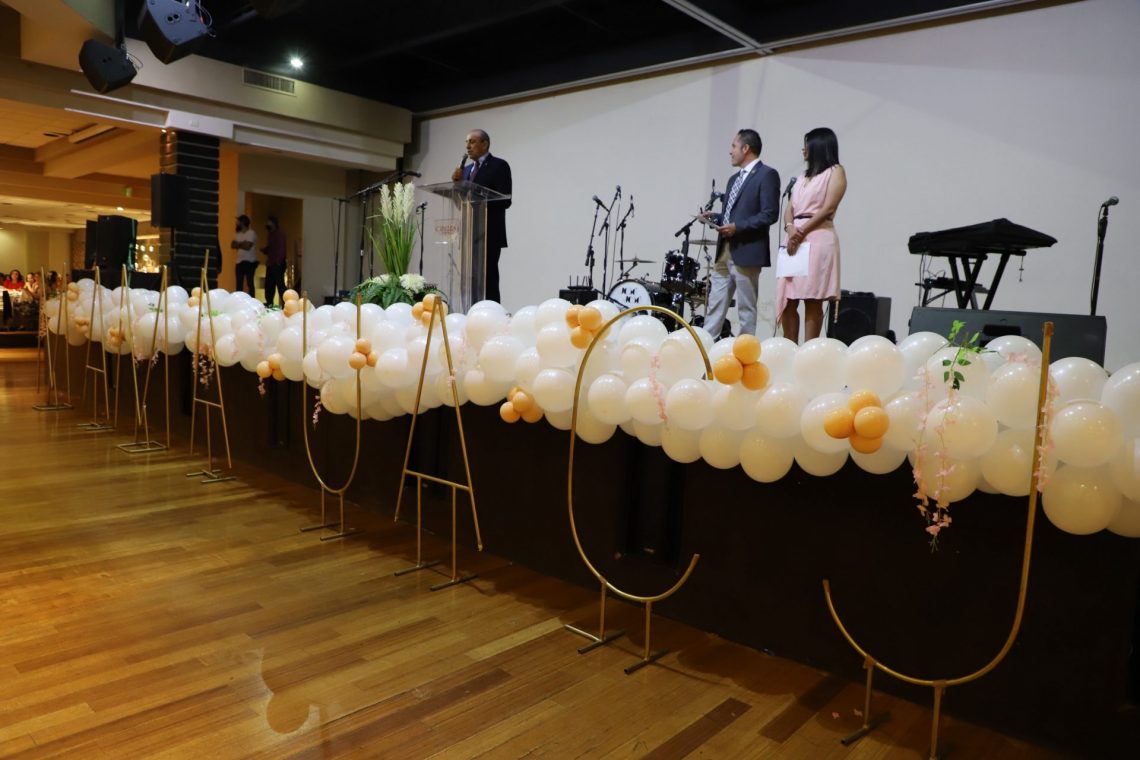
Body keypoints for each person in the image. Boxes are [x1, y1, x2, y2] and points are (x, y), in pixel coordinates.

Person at [698, 129, 780, 338]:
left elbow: (769, 214)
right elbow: (732, 215)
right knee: (714, 306)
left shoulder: (767, 175)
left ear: (746, 148)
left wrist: (737, 227)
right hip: (724, 251)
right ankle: (706, 348)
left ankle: (745, 352)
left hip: (747, 251)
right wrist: (715, 218)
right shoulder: (733, 179)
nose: (730, 151)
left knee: (746, 310)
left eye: (734, 146)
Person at [778, 127, 846, 343]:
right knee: (788, 298)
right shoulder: (802, 177)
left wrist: (801, 232)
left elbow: (828, 208)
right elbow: (789, 208)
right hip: (794, 237)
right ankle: (790, 347)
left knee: (812, 298)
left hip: (817, 237)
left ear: (818, 146)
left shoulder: (835, 171)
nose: (803, 150)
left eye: (806, 145)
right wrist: (790, 227)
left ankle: (809, 350)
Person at [451, 129, 512, 303]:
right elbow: (460, 203)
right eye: (466, 142)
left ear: (485, 144)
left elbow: (505, 200)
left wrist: (477, 196)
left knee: (488, 277)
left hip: (489, 232)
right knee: (469, 279)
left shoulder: (499, 165)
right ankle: (470, 311)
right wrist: (457, 184)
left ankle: (492, 313)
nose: (467, 147)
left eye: (472, 142)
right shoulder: (466, 170)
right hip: (469, 232)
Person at [261, 215, 287, 307]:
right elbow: (271, 248)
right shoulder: (270, 235)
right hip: (271, 263)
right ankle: (269, 303)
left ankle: (286, 303)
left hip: (277, 263)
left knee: (280, 285)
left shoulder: (279, 234)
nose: (267, 224)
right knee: (269, 285)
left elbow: (281, 249)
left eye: (269, 222)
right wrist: (265, 250)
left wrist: (278, 261)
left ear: (274, 223)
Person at [231, 214, 258, 296]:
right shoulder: (237, 234)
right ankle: (238, 299)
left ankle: (252, 299)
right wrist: (242, 243)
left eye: (238, 221)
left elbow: (247, 246)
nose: (236, 223)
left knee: (250, 283)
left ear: (243, 222)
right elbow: (232, 245)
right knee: (239, 284)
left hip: (249, 262)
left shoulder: (251, 233)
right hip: (239, 262)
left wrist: (238, 244)